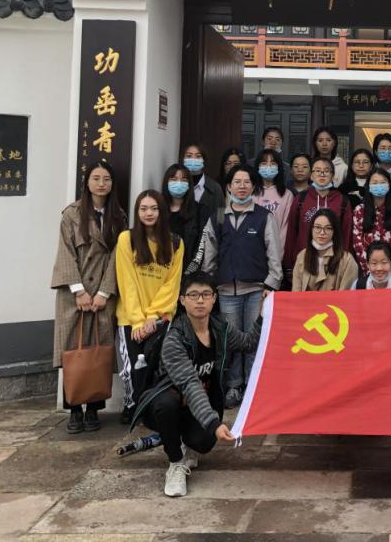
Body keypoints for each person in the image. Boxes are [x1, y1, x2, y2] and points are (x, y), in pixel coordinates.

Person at [131, 272, 260, 497]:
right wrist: (213, 423)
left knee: (203, 443)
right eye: (193, 295)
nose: (200, 300)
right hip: (166, 403)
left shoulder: (220, 329)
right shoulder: (175, 339)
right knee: (167, 404)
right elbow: (190, 384)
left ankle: (186, 442)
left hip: (197, 404)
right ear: (182, 300)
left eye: (205, 294)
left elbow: (248, 343)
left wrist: (264, 315)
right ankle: (175, 463)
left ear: (214, 298)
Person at [50, 160, 127, 433]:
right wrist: (79, 290)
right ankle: (74, 409)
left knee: (99, 349)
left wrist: (104, 292)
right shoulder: (71, 214)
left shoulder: (118, 216)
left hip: (103, 295)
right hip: (74, 294)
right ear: (87, 182)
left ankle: (94, 408)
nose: (101, 183)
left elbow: (118, 257)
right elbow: (66, 252)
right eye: (96, 178)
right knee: (72, 351)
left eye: (106, 179)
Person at [200, 165, 281, 407]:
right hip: (226, 291)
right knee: (232, 342)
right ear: (229, 186)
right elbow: (209, 253)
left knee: (255, 341)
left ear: (254, 187)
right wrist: (209, 285)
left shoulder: (264, 216)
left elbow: (275, 254)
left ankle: (254, 388)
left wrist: (271, 285)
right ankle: (234, 386)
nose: (242, 186)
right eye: (237, 181)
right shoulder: (218, 216)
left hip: (257, 290)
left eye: (247, 182)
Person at [114, 190, 184, 421]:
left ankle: (150, 408)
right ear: (137, 212)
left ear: (162, 211)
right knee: (131, 368)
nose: (149, 213)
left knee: (154, 365)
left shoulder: (175, 243)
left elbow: (172, 284)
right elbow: (126, 282)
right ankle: (132, 406)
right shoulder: (127, 239)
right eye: (143, 209)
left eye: (154, 208)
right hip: (130, 318)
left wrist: (153, 315)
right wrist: (138, 320)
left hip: (160, 318)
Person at [282, 157, 353, 274]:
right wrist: (289, 264)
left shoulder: (342, 201)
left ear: (333, 176)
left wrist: (344, 262)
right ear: (311, 175)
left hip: (333, 264)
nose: (322, 174)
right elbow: (291, 233)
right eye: (317, 170)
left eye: (326, 171)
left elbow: (346, 234)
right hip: (304, 262)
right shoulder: (300, 199)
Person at [351, 168, 391, 273]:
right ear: (368, 186)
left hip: (390, 271)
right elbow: (357, 243)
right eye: (375, 183)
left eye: (383, 182)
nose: (379, 186)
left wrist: (388, 268)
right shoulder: (359, 210)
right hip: (367, 271)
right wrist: (370, 269)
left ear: (389, 185)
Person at [292, 209, 359, 292]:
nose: (322, 232)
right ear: (311, 229)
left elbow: (346, 296)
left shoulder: (347, 260)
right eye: (317, 227)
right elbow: (296, 293)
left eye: (328, 228)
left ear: (334, 231)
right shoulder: (302, 256)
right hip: (304, 301)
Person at [162, 164, 207, 275]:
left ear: (189, 184)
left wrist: (189, 273)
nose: (179, 183)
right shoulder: (158, 209)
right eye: (174, 179)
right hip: (160, 271)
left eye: (183, 180)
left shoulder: (199, 210)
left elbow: (201, 246)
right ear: (166, 182)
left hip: (186, 273)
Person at [253, 148, 294, 235]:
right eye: (264, 163)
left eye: (273, 163)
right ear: (258, 167)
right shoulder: (250, 192)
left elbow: (286, 226)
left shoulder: (287, 194)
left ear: (279, 167)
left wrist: (278, 243)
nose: (268, 167)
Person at [182, 143, 223, 214]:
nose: (193, 159)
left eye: (198, 156)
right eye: (189, 156)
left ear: (204, 160)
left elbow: (221, 216)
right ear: (183, 160)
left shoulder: (215, 188)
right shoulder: (177, 185)